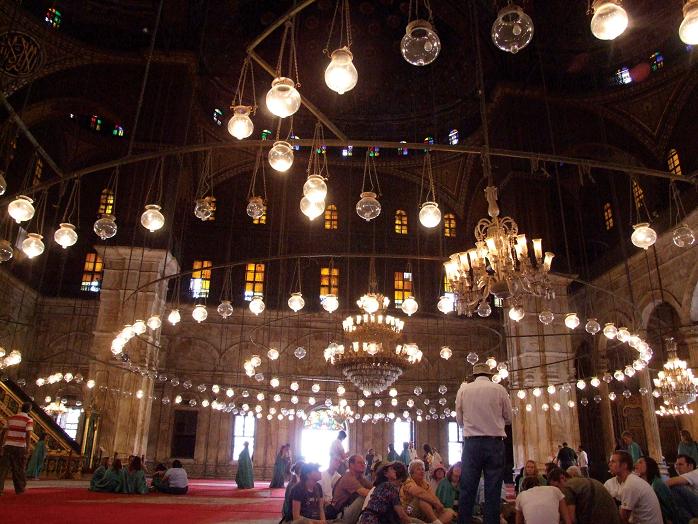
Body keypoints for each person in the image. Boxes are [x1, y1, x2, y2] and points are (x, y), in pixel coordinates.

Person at [455, 362, 512, 524]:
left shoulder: (464, 389)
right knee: (493, 490)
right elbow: (509, 418)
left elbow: (459, 420)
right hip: (494, 444)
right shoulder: (499, 389)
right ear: (489, 375)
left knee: (467, 488)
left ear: (474, 375)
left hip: (472, 444)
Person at [604, 450, 662, 524]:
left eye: (613, 462)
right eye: (610, 462)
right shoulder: (631, 480)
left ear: (624, 465)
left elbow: (622, 519)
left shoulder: (630, 484)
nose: (610, 464)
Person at [546, 467, 620, 524]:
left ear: (562, 478)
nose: (557, 492)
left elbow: (571, 520)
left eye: (556, 487)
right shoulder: (586, 480)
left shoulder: (567, 487)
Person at [400, 459, 455, 524]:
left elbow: (433, 496)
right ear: (412, 473)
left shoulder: (425, 484)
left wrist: (439, 505)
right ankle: (435, 520)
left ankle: (436, 522)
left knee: (450, 512)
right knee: (421, 498)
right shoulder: (408, 482)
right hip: (409, 510)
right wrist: (436, 503)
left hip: (425, 511)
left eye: (423, 469)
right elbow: (419, 493)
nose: (422, 471)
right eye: (418, 469)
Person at [0, 401, 33, 495]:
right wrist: (27, 448)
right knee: (19, 468)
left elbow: (3, 432)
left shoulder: (11, 418)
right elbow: (28, 434)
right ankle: (19, 489)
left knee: (3, 469)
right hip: (20, 447)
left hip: (8, 446)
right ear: (29, 410)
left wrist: (2, 445)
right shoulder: (28, 420)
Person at [635, 456, 678, 524]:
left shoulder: (657, 484)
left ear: (649, 465)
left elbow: (669, 505)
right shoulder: (642, 483)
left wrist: (669, 520)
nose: (636, 465)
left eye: (640, 462)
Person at [331, 454, 372, 522]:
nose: (363, 465)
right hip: (341, 515)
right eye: (359, 462)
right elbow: (365, 493)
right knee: (364, 498)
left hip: (349, 510)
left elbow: (374, 488)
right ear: (351, 465)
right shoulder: (348, 477)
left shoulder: (360, 479)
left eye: (364, 463)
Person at [666, 454, 698, 521]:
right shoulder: (686, 480)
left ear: (690, 466)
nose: (677, 467)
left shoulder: (695, 473)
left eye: (680, 464)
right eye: (676, 465)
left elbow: (670, 482)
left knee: (675, 488)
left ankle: (689, 520)